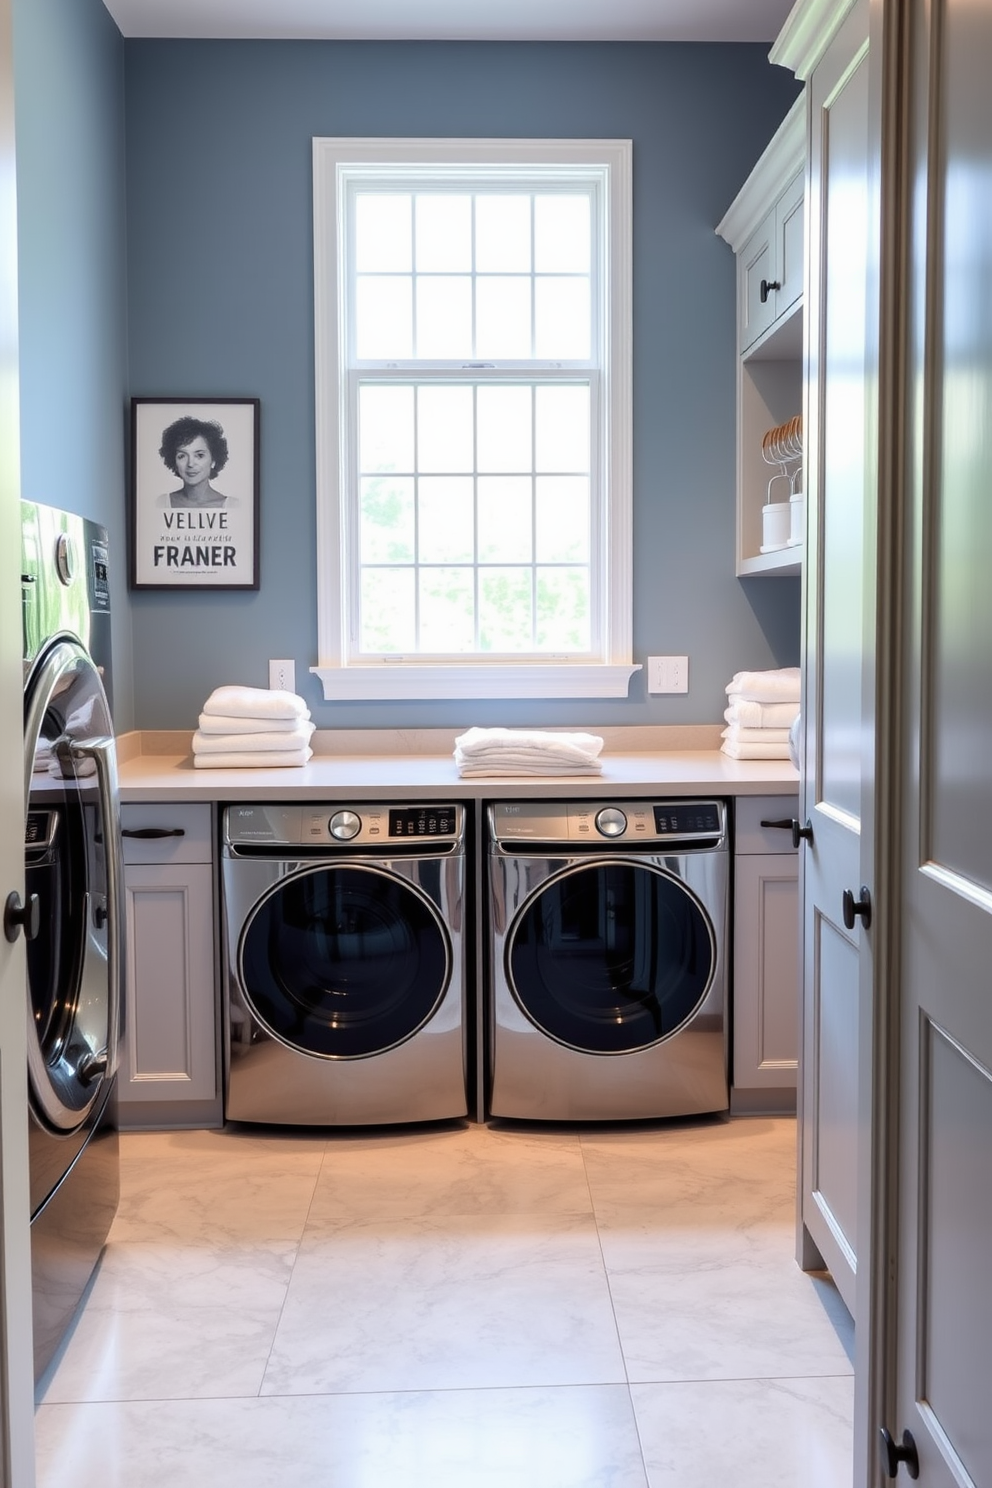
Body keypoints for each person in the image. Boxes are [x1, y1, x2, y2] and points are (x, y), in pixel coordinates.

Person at [155, 415, 238, 509]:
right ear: (174, 461)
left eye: (200, 455)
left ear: (213, 460)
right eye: (182, 456)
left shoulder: (233, 506)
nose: (190, 464)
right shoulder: (161, 503)